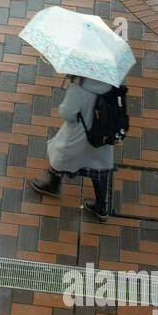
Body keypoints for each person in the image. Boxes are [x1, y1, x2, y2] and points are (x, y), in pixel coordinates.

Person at [29, 74, 115, 221]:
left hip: (79, 135)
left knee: (60, 156)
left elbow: (67, 113)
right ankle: (101, 207)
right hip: (101, 137)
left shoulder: (79, 87)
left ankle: (53, 185)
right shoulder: (110, 83)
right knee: (99, 169)